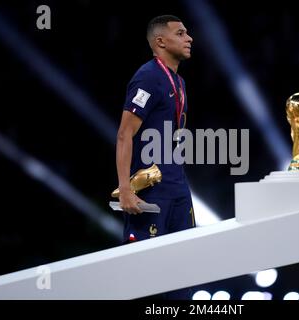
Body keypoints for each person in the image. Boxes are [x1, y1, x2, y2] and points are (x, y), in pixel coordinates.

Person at [115, 15, 196, 298]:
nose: (189, 38)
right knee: (146, 279)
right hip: (151, 193)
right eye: (181, 33)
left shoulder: (179, 82)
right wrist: (125, 189)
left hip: (178, 189)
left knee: (183, 275)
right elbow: (125, 134)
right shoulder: (148, 77)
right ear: (161, 41)